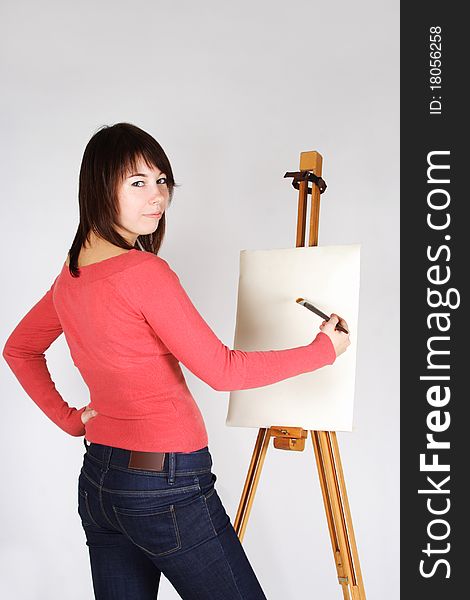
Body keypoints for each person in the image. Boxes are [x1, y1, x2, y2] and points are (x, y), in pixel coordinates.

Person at [2, 122, 350, 599]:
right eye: (137, 183)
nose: (157, 196)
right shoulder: (144, 272)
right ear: (100, 188)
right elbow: (222, 370)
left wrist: (71, 421)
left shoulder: (72, 276)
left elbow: (18, 348)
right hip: (165, 487)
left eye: (162, 180)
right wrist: (322, 352)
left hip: (100, 482)